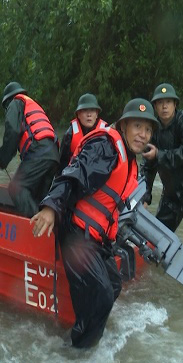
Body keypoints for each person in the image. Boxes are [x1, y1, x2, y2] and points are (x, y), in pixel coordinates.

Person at [31, 98, 159, 348]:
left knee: (112, 284)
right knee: (100, 296)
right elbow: (73, 174)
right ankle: (78, 354)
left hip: (97, 237)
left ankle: (87, 334)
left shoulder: (130, 159)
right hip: (76, 231)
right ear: (124, 127)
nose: (142, 135)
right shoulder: (106, 147)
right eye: (137, 127)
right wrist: (50, 208)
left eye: (147, 130)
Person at [141, 83, 183, 255]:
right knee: (158, 232)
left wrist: (159, 155)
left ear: (174, 104)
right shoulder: (153, 130)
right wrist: (145, 196)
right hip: (172, 188)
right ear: (155, 106)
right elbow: (148, 167)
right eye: (160, 103)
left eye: (168, 102)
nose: (164, 106)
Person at [0, 82, 59, 218]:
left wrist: (3, 160)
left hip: (39, 152)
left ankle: (35, 232)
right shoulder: (32, 105)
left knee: (16, 188)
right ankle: (49, 233)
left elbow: (12, 131)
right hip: (53, 155)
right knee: (38, 197)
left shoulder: (15, 103)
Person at [57, 93, 108, 175]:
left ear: (97, 114)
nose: (89, 115)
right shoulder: (70, 134)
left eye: (92, 110)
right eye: (85, 110)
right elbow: (62, 164)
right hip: (74, 176)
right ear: (78, 114)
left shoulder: (106, 133)